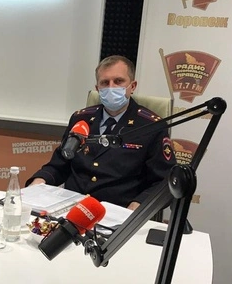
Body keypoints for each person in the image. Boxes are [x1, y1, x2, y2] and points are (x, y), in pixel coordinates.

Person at [27, 55, 175, 211]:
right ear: (97, 89)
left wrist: (138, 206)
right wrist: (38, 183)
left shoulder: (151, 126)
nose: (111, 87)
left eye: (118, 81)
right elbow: (59, 165)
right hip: (71, 210)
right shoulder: (81, 119)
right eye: (105, 83)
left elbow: (164, 181)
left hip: (117, 212)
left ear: (132, 86)